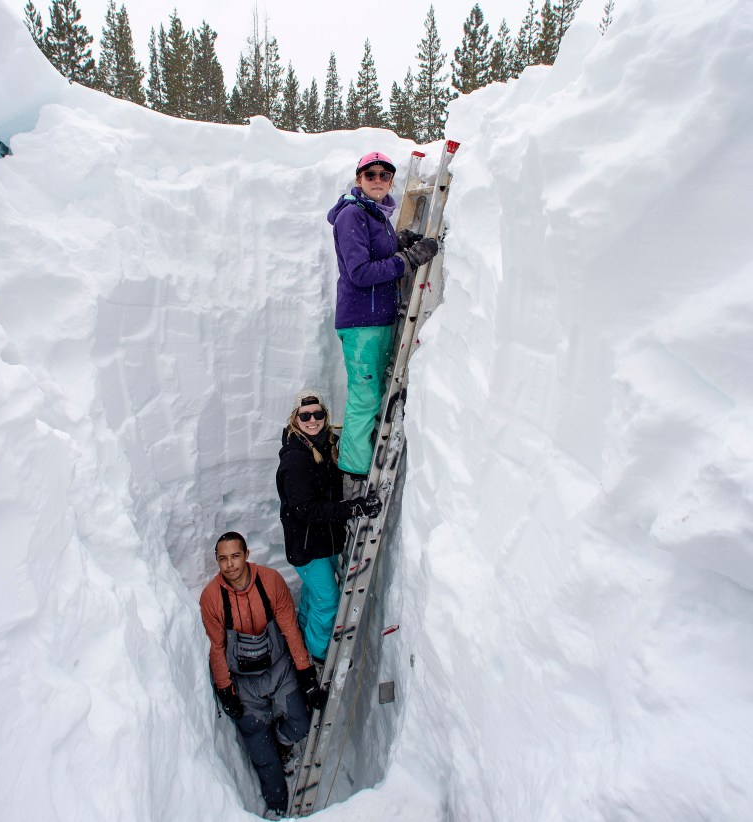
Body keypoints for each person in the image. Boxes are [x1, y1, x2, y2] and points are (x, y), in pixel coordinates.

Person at [326, 150, 440, 479]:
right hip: (362, 322)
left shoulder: (375, 215)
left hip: (376, 320)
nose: (379, 180)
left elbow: (372, 251)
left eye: (385, 175)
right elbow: (360, 271)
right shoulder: (353, 214)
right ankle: (353, 473)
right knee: (365, 397)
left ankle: (358, 461)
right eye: (371, 174)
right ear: (359, 179)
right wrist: (408, 260)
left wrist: (399, 242)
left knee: (371, 394)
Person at [199, 531, 327, 817]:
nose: (230, 564)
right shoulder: (211, 597)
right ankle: (278, 805)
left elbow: (290, 630)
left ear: (246, 554)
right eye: (223, 559)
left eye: (234, 556)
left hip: (279, 668)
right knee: (261, 754)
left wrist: (306, 676)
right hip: (244, 681)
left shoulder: (270, 582)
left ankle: (281, 741)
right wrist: (224, 690)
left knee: (301, 723)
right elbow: (217, 647)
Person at [276, 389, 382, 662]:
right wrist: (353, 508)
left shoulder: (326, 442)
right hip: (308, 548)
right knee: (328, 601)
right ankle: (317, 656)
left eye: (318, 414)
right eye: (305, 415)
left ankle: (302, 637)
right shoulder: (295, 459)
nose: (312, 420)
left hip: (325, 542)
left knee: (314, 595)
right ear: (295, 418)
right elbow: (306, 511)